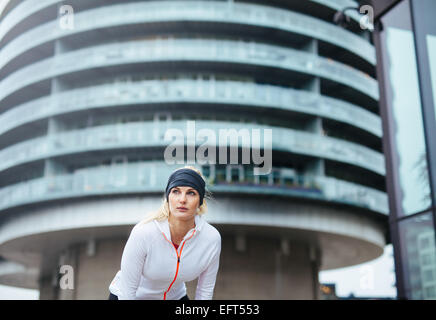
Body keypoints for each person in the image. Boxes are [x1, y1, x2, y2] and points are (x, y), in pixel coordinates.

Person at [108, 166, 221, 300]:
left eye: (191, 193)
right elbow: (128, 291)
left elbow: (205, 291)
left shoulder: (211, 239)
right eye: (176, 191)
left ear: (200, 200)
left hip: (175, 297)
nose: (182, 199)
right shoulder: (144, 232)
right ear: (168, 197)